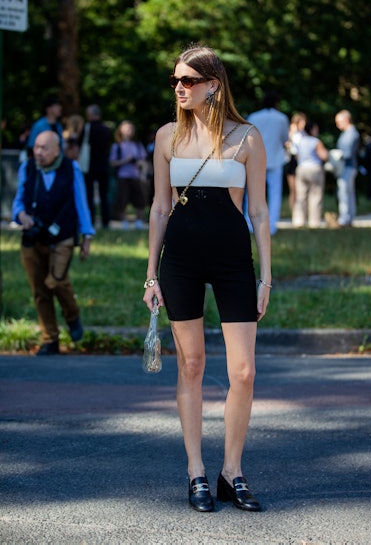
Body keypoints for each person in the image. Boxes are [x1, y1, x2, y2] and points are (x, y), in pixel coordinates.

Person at [143, 44, 271, 513]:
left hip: (234, 261)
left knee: (244, 372)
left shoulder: (247, 138)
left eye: (189, 80)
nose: (179, 87)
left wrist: (267, 277)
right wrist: (149, 274)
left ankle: (230, 472)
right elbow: (159, 208)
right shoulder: (165, 138)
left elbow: (258, 210)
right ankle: (196, 471)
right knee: (191, 365)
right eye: (175, 80)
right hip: (180, 262)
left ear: (213, 85)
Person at [12, 130, 95, 355]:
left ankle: (72, 315)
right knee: (40, 290)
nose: (38, 152)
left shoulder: (71, 168)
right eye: (36, 147)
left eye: (44, 148)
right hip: (32, 238)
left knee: (55, 281)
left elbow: (81, 202)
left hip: (63, 237)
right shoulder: (26, 168)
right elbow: (18, 202)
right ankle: (50, 339)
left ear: (57, 150)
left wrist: (87, 235)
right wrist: (21, 216)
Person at [245, 91, 290, 235]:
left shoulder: (254, 117)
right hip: (275, 160)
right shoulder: (281, 118)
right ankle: (271, 226)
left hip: (255, 161)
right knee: (274, 194)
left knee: (251, 193)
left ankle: (249, 223)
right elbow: (285, 138)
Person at [109, 120, 148, 229]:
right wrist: (126, 160)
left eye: (130, 128)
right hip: (122, 176)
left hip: (135, 176)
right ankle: (124, 221)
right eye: (126, 128)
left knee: (140, 200)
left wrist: (142, 173)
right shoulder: (117, 146)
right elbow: (112, 162)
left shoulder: (138, 145)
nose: (129, 131)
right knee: (122, 200)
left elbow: (143, 161)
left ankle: (139, 221)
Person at [79, 104, 112, 228]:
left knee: (89, 194)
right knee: (104, 195)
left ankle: (91, 220)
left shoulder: (87, 128)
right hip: (103, 165)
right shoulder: (106, 129)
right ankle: (106, 221)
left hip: (89, 165)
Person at [292, 121, 329, 228]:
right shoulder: (316, 142)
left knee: (301, 196)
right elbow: (323, 156)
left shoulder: (300, 141)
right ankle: (314, 222)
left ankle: (299, 221)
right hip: (314, 169)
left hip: (301, 169)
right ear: (312, 129)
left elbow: (296, 156)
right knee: (315, 197)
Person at [334, 109, 360, 227]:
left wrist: (337, 156)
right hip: (345, 167)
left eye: (339, 122)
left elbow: (348, 152)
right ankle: (348, 217)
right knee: (347, 193)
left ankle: (345, 218)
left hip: (347, 167)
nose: (337, 125)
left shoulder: (352, 133)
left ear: (346, 120)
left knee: (345, 193)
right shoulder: (345, 133)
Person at [285, 112, 307, 213]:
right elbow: (288, 146)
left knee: (301, 190)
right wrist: (292, 132)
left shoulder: (305, 134)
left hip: (302, 161)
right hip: (292, 161)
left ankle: (302, 212)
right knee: (293, 189)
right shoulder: (291, 133)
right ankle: (294, 212)